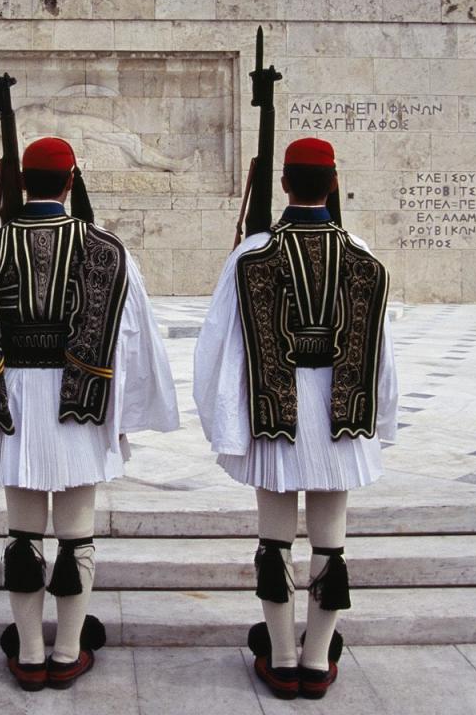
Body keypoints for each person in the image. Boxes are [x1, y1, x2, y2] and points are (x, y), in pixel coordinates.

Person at [0, 137, 179, 692]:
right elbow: (131, 340)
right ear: (71, 181)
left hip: (9, 405)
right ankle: (67, 651)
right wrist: (124, 414)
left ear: (20, 183)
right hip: (80, 406)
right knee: (77, 534)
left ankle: (30, 652)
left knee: (23, 533)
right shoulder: (109, 251)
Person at [192, 137, 398, 701]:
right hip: (342, 418)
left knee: (275, 541)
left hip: (273, 416)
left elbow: (219, 346)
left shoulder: (252, 254)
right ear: (334, 183)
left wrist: (221, 418)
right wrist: (380, 420)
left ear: (284, 184)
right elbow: (380, 351)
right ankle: (316, 659)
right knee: (331, 543)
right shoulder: (364, 254)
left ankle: (281, 658)